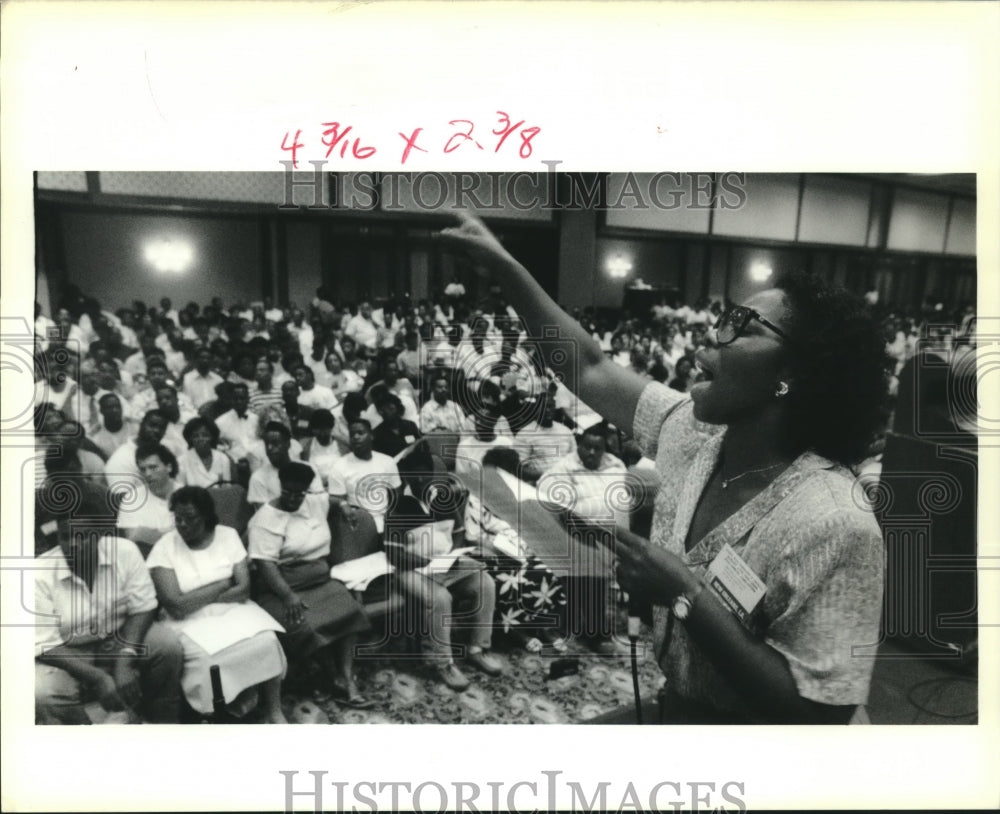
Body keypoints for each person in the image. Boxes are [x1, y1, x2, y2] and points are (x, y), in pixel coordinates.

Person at [442, 213, 889, 724]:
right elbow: (588, 365)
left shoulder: (836, 524)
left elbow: (819, 718)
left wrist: (685, 595)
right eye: (725, 317)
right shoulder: (693, 435)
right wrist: (506, 267)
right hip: (680, 706)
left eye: (742, 327)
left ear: (793, 375)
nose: (713, 335)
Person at [34, 494, 184, 724]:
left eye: (82, 536)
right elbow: (45, 643)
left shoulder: (125, 551)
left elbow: (143, 607)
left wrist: (124, 659)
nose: (73, 544)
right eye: (65, 537)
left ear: (100, 536)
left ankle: (160, 721)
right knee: (41, 692)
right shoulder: (38, 574)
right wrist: (99, 677)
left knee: (168, 647)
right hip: (68, 650)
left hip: (120, 634)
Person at [147, 486, 287, 722]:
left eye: (190, 518)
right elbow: (175, 606)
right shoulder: (165, 546)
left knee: (266, 640)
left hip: (234, 609)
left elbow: (243, 589)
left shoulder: (227, 535)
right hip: (188, 621)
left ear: (206, 516)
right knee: (207, 658)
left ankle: (274, 710)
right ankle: (214, 715)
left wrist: (196, 597)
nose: (182, 525)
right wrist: (222, 585)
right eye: (178, 518)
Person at [248, 462, 373, 709]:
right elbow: (265, 565)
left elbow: (332, 500)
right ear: (280, 487)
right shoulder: (265, 517)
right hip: (280, 586)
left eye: (299, 494)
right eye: (288, 493)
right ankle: (328, 674)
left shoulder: (313, 502)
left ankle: (347, 677)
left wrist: (345, 506)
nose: (293, 499)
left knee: (350, 610)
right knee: (305, 624)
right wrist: (287, 596)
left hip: (319, 581)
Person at [388, 448, 501, 691]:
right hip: (411, 569)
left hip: (445, 564)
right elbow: (394, 554)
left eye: (425, 474)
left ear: (432, 474)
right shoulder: (398, 506)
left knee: (486, 583)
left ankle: (477, 648)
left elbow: (459, 535)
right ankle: (443, 663)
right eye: (414, 475)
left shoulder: (443, 498)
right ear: (405, 476)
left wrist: (452, 555)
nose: (421, 480)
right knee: (440, 598)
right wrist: (424, 563)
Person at [464, 447, 567, 652]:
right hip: (491, 552)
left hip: (523, 548)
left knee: (553, 566)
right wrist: (500, 549)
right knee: (512, 578)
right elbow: (472, 536)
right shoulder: (476, 497)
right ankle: (515, 631)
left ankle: (544, 625)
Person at [328, 418, 402, 535]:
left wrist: (391, 515)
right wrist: (343, 505)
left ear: (371, 436)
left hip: (387, 522)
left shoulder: (387, 461)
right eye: (352, 434)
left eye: (360, 433)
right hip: (359, 525)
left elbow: (396, 492)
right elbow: (335, 498)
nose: (356, 437)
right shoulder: (339, 466)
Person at [117, 443, 179, 554]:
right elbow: (133, 539)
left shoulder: (189, 494)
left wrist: (149, 533)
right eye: (143, 469)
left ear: (169, 467)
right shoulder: (131, 499)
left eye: (153, 467)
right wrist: (173, 532)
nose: (148, 473)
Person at [177, 416, 233, 488]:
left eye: (205, 435)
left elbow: (227, 489)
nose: (201, 439)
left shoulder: (223, 458)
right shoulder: (181, 461)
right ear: (190, 439)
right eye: (195, 436)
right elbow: (180, 491)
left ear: (212, 437)